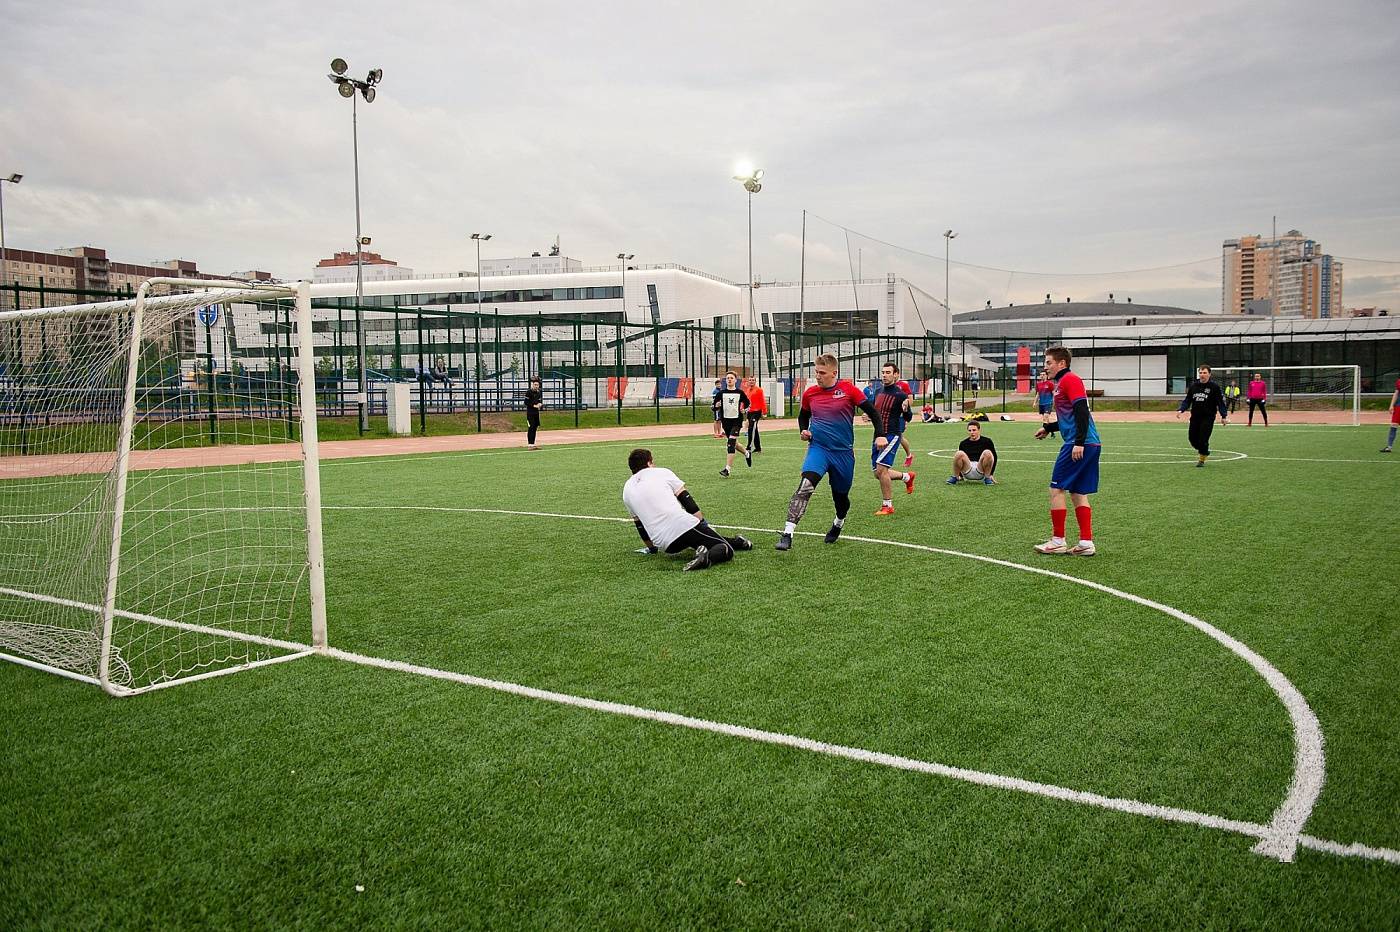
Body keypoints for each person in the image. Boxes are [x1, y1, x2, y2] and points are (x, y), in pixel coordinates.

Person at [776, 354, 886, 551]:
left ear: (834, 373)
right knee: (805, 487)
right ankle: (787, 533)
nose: (817, 376)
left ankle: (838, 522)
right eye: (816, 372)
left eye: (822, 373)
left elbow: (874, 413)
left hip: (843, 454)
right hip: (818, 449)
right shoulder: (810, 394)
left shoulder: (849, 390)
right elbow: (804, 416)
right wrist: (803, 430)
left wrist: (880, 435)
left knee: (840, 498)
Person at [623, 448, 753, 571]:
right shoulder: (662, 472)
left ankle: (739, 542)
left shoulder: (627, 489)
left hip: (665, 544)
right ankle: (705, 558)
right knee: (725, 548)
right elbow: (687, 500)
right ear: (649, 463)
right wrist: (703, 522)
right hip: (682, 525)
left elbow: (639, 525)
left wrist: (651, 549)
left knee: (699, 538)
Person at [1033, 345, 1100, 557]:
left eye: (1049, 362)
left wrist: (1078, 442)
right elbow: (1069, 417)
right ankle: (1086, 543)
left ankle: (1058, 540)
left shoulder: (1070, 380)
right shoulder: (1061, 383)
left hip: (1079, 443)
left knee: (1056, 489)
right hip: (1089, 443)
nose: (1046, 367)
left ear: (1062, 363)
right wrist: (1048, 427)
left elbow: (1081, 412)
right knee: (1078, 492)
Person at [870, 362, 916, 515]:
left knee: (882, 469)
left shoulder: (900, 395)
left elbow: (908, 417)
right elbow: (875, 412)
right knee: (878, 473)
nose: (884, 375)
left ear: (896, 374)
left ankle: (887, 505)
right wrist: (868, 415)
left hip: (892, 435)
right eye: (883, 372)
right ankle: (906, 477)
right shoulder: (877, 392)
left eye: (888, 372)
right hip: (878, 436)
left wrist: (905, 410)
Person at [1176, 365, 1228, 466]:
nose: (1202, 375)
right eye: (1200, 373)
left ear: (1209, 374)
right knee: (1192, 438)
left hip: (1208, 416)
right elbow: (1188, 400)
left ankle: (1202, 459)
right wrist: (1181, 409)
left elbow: (1220, 402)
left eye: (1204, 373)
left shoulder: (1214, 387)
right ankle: (1204, 450)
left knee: (1203, 438)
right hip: (1195, 416)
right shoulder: (1194, 386)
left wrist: (1224, 416)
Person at [712, 371, 752, 476]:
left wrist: (745, 410)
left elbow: (748, 404)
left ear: (735, 380)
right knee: (735, 444)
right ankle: (747, 453)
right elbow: (713, 407)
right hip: (726, 421)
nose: (729, 379)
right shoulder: (721, 393)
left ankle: (727, 469)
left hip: (736, 420)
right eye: (727, 378)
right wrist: (717, 405)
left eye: (731, 378)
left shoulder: (740, 393)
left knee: (731, 443)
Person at [947, 420, 997, 485]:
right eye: (970, 430)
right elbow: (960, 461)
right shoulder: (963, 443)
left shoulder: (987, 441)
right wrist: (961, 475)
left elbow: (994, 457)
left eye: (974, 430)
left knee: (987, 452)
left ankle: (987, 478)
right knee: (959, 453)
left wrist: (991, 474)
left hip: (981, 469)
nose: (972, 432)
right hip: (968, 469)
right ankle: (955, 477)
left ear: (979, 430)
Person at [743, 377, 767, 454]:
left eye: (753, 380)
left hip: (756, 411)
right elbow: (744, 401)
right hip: (749, 411)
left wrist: (764, 412)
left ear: (755, 381)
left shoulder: (759, 390)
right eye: (750, 380)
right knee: (754, 429)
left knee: (751, 428)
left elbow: (762, 401)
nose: (751, 382)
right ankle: (758, 448)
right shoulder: (746, 390)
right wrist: (742, 408)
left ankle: (749, 446)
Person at [896, 377, 915, 466]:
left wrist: (905, 410)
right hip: (889, 416)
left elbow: (910, 399)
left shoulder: (903, 385)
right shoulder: (887, 386)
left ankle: (909, 455)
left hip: (899, 416)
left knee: (899, 436)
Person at [1035, 369, 1058, 437]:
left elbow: (1054, 393)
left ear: (1046, 376)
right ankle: (1051, 432)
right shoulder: (1038, 384)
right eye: (1041, 375)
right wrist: (1035, 402)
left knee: (1045, 417)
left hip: (1048, 403)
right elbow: (1038, 394)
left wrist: (1055, 402)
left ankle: (1043, 432)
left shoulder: (1050, 384)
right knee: (1046, 419)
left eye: (1043, 375)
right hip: (1041, 403)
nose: (1042, 376)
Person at [524, 377, 544, 450]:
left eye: (537, 385)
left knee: (535, 427)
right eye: (535, 384)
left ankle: (533, 444)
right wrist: (533, 406)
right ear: (533, 385)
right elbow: (526, 402)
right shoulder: (528, 392)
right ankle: (530, 444)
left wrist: (539, 404)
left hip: (536, 413)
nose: (536, 386)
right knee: (531, 427)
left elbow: (539, 401)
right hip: (530, 413)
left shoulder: (538, 393)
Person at [1383, 377, 1400, 452]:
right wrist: (1391, 405)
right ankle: (1389, 447)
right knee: (1394, 424)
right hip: (1399, 406)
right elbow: (1396, 394)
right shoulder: (1399, 381)